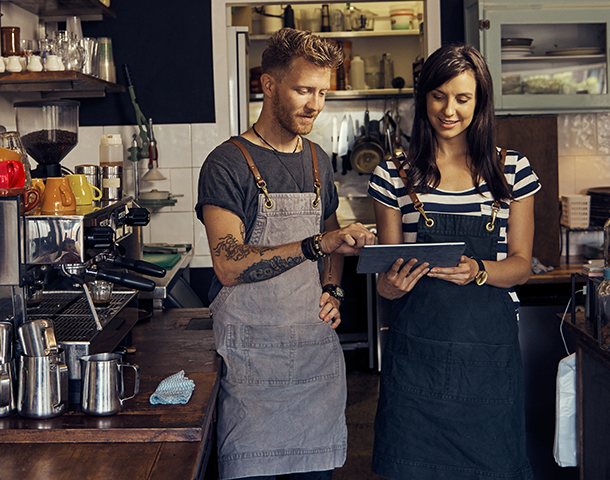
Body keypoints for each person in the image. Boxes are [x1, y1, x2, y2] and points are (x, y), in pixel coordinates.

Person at [195, 28, 374, 480]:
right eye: (303, 90)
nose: (314, 104)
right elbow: (230, 265)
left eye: (322, 92)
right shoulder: (227, 163)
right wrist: (317, 245)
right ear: (269, 85)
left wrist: (332, 286)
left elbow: (333, 238)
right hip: (251, 373)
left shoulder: (317, 159)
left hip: (314, 369)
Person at [368, 44, 540, 479]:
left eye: (463, 98)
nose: (449, 110)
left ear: (480, 102)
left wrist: (478, 271)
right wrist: (392, 284)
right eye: (439, 96)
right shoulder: (395, 174)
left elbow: (521, 265)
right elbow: (383, 282)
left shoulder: (511, 169)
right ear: (423, 97)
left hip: (487, 367)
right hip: (416, 368)